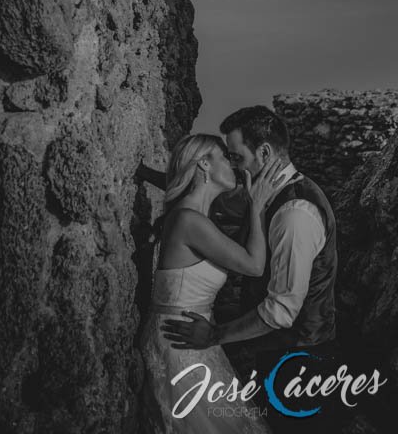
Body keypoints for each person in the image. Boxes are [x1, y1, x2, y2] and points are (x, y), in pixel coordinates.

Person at [162, 107, 340, 434]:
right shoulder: (266, 196)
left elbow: (281, 311)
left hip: (297, 359)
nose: (234, 166)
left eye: (237, 157)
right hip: (276, 353)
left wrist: (215, 335)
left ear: (265, 152)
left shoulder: (294, 214)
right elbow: (205, 198)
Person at [138, 132, 296, 433]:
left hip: (192, 338)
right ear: (204, 165)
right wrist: (257, 206)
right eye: (225, 157)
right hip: (179, 343)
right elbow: (254, 265)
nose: (233, 165)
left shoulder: (196, 216)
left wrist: (146, 172)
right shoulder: (189, 221)